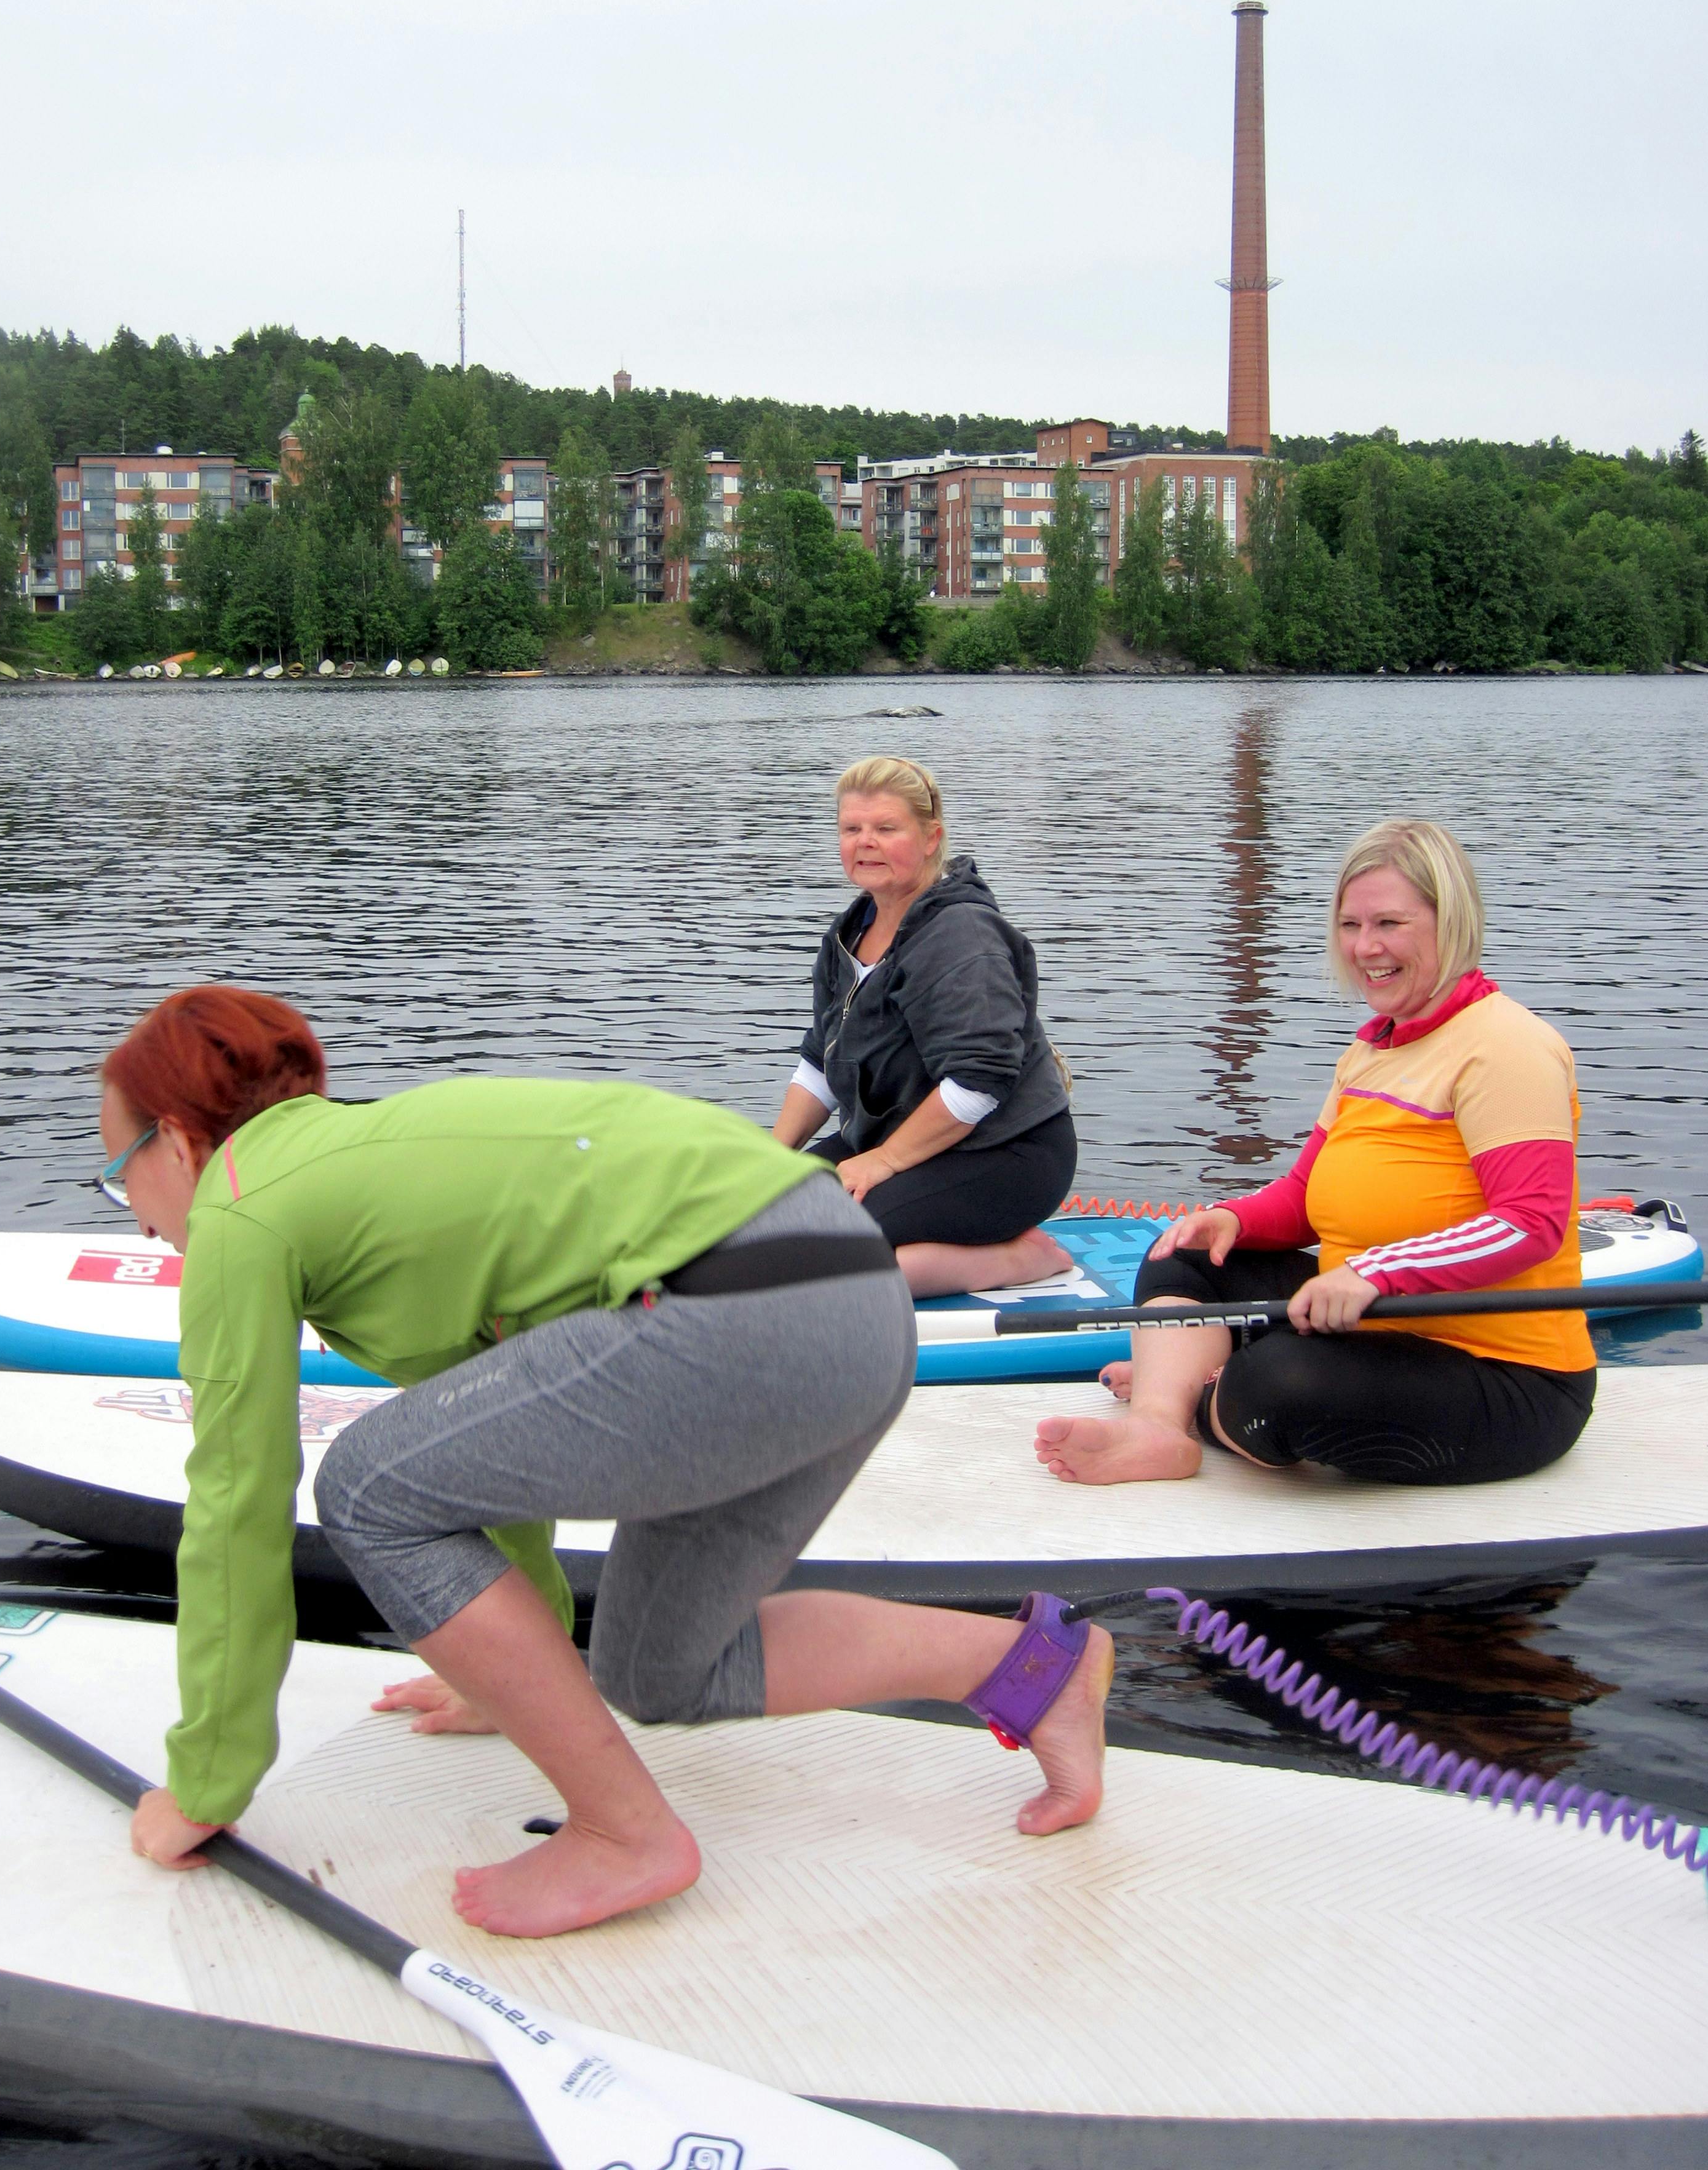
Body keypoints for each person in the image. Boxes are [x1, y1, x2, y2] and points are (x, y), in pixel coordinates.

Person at [108, 985, 1113, 1939]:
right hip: (859, 1298)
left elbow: (237, 1502)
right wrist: (508, 1667)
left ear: (181, 1142)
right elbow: (490, 1427)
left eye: (122, 1174)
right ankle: (1035, 1669)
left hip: (738, 1307)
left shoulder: (241, 1209)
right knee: (659, 1668)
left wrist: (205, 1783)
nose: (139, 1220)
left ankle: (625, 1835)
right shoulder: (374, 1158)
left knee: (365, 1489)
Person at [1035, 819, 1596, 1489]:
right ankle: (1161, 1424)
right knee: (1182, 1254)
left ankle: (1197, 1385)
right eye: (1351, 925)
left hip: (1508, 1375)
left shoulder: (1507, 1048)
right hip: (1371, 1326)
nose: (1366, 947)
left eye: (1389, 924)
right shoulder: (1373, 1048)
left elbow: (1530, 1223)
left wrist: (1376, 1273)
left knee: (1280, 1384)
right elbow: (1306, 1195)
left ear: (1451, 921)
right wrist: (1236, 1218)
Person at [773, 755, 1079, 1298]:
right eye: (851, 829)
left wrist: (883, 1162)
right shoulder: (848, 934)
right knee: (758, 1220)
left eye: (886, 828)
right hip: (900, 1142)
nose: (865, 842)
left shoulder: (962, 935)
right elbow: (820, 1062)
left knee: (834, 1257)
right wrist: (767, 1163)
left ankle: (1019, 1259)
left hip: (1005, 1154)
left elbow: (979, 1081)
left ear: (931, 837)